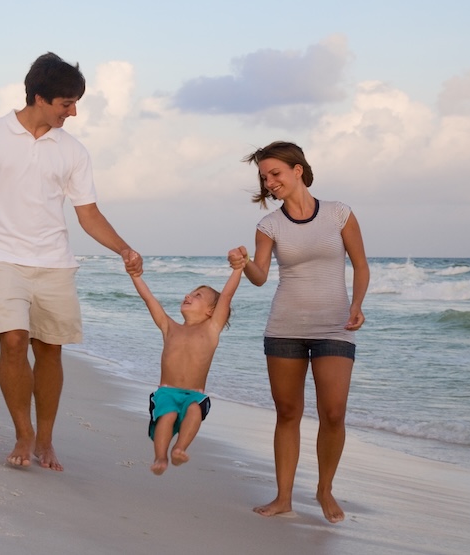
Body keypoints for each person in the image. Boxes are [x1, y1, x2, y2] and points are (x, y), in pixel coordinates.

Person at [0, 52, 141, 472]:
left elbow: (88, 213)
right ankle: (23, 433)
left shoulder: (73, 150)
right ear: (39, 97)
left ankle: (46, 440)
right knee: (13, 340)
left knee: (49, 349)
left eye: (74, 103)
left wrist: (123, 248)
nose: (73, 112)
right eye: (66, 103)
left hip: (54, 261)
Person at [231, 141, 369, 524]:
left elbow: (361, 266)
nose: (270, 181)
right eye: (264, 177)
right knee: (288, 412)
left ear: (298, 169)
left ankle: (324, 490)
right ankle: (283, 497)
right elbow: (260, 277)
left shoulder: (340, 214)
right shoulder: (269, 225)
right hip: (285, 328)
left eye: (275, 173)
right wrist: (244, 264)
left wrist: (357, 305)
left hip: (334, 326)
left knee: (334, 412)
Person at [127, 250, 245, 475]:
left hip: (194, 393)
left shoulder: (211, 329)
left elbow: (227, 296)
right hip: (166, 392)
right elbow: (149, 299)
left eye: (198, 295)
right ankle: (160, 457)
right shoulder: (169, 327)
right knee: (168, 415)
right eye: (190, 293)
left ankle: (180, 448)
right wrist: (135, 276)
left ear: (211, 311)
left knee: (194, 410)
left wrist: (238, 269)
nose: (188, 296)